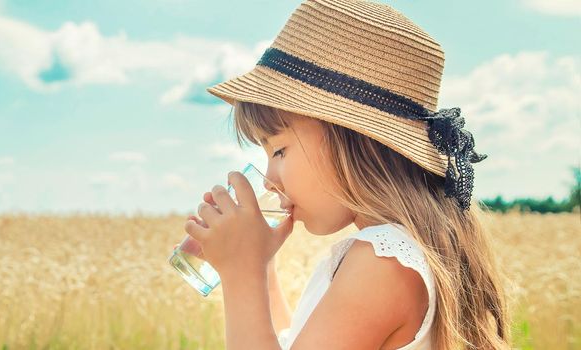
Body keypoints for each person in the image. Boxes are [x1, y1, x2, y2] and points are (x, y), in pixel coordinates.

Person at [178, 0, 512, 349]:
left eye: (279, 150)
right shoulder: (395, 255)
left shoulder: (382, 263)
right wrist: (258, 268)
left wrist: (240, 274)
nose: (268, 178)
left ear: (350, 141)